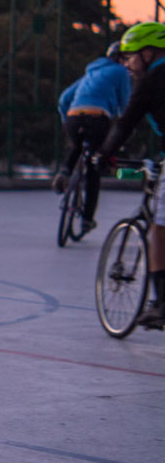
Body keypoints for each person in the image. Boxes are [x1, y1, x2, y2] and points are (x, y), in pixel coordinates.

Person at [97, 21, 165, 329]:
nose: (126, 64)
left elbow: (126, 124)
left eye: (130, 56)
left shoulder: (151, 82)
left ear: (148, 53)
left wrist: (105, 155)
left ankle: (162, 304)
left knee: (159, 229)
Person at [52, 41, 132, 234]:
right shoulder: (121, 72)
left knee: (77, 146)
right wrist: (123, 123)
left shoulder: (91, 73)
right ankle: (87, 219)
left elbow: (64, 99)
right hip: (98, 116)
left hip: (73, 116)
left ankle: (64, 172)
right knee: (94, 166)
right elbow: (126, 102)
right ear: (121, 59)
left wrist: (66, 119)